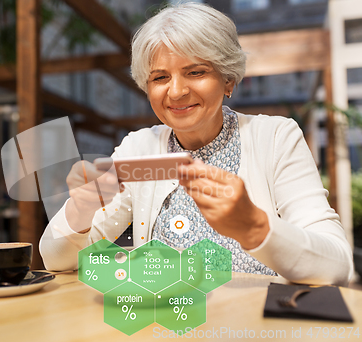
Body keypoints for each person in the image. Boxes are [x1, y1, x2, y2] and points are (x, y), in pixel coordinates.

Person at [39, 2, 353, 285]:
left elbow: (337, 266)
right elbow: (57, 261)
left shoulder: (275, 137)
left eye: (196, 72)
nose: (176, 92)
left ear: (228, 79)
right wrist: (82, 209)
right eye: (160, 78)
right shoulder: (139, 147)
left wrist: (255, 227)